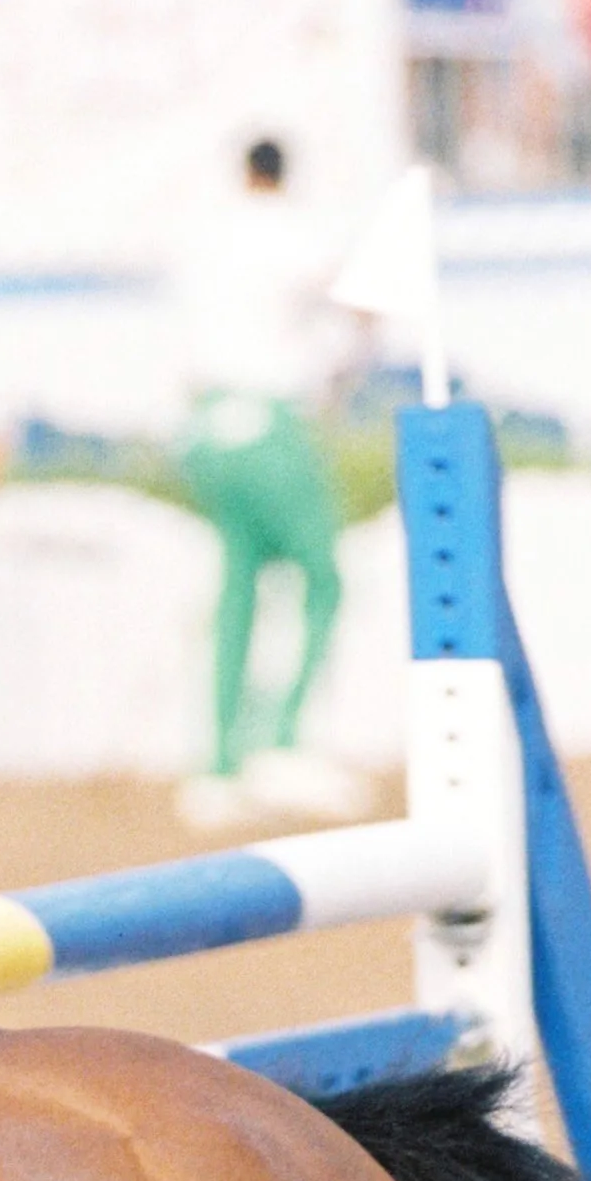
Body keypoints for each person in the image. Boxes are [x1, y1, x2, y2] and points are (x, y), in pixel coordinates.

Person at [173, 134, 363, 831]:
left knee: (237, 589)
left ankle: (219, 761)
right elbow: (358, 302)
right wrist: (341, 364)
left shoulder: (203, 237)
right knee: (322, 579)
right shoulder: (291, 233)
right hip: (269, 422)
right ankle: (282, 741)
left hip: (205, 426)